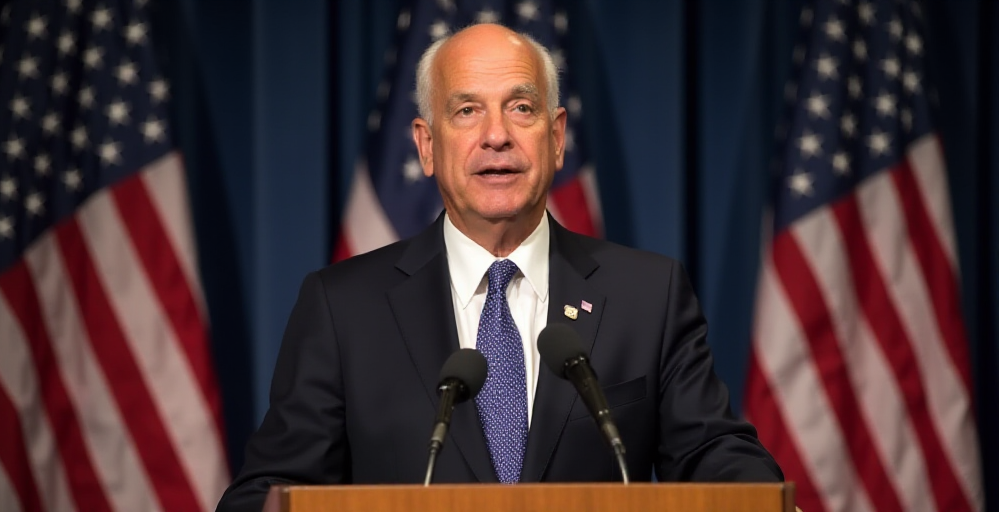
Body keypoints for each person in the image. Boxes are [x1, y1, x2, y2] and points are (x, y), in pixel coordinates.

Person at [216, 22, 781, 512]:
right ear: (427, 145)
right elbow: (271, 488)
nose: (496, 136)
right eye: (466, 111)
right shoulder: (343, 309)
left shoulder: (646, 296)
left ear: (556, 138)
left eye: (521, 107)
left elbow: (715, 454)